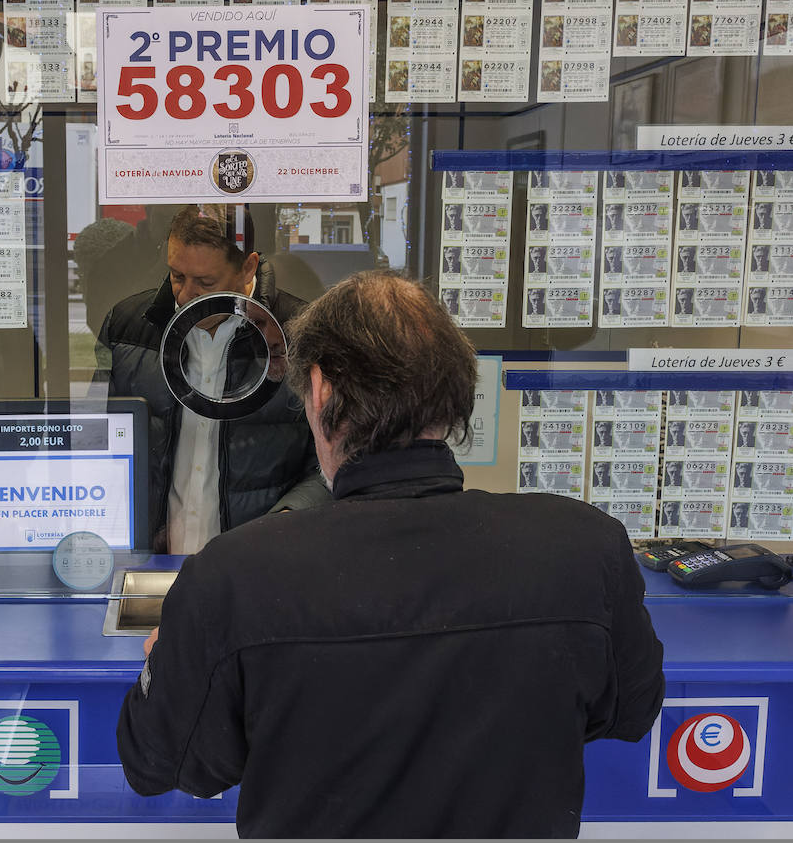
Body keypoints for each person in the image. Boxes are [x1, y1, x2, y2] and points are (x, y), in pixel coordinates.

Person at [116, 272, 665, 838]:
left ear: (322, 391)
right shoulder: (583, 547)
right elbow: (631, 711)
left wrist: (166, 657)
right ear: (456, 392)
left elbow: (160, 763)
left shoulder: (235, 575)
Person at [96, 206, 325, 553]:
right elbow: (97, 443)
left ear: (248, 267)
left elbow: (330, 458)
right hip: (151, 562)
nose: (186, 294)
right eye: (176, 276)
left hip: (259, 561)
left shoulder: (302, 335)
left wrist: (289, 517)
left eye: (205, 282)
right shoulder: (128, 328)